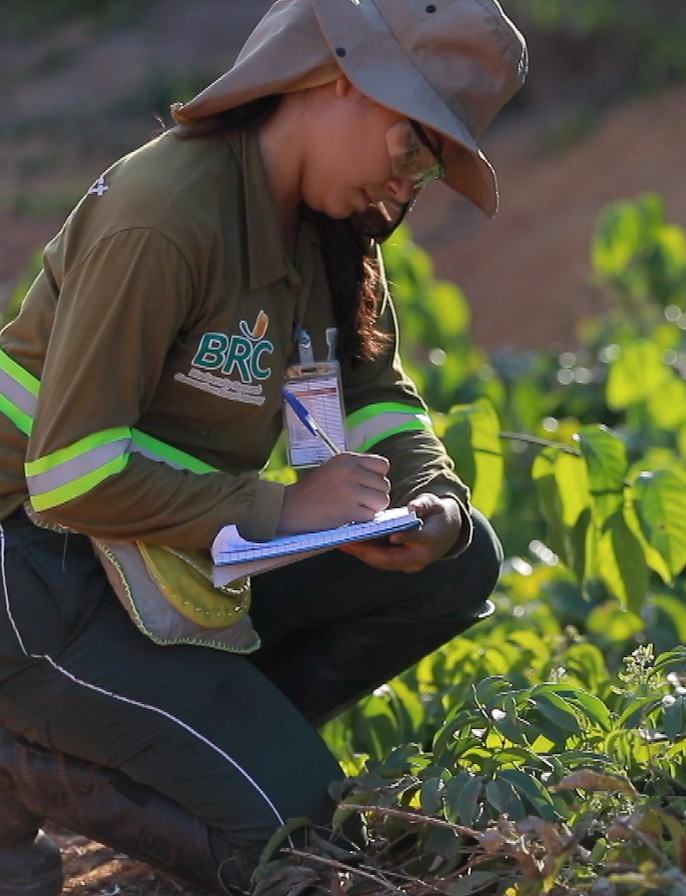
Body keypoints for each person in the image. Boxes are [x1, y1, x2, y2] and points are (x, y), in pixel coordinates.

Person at [0, 0, 526, 893]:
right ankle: (33, 760)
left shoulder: (324, 225)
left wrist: (429, 498)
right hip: (36, 569)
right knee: (309, 848)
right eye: (411, 147)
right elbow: (69, 474)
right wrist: (285, 507)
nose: (407, 188)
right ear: (334, 78)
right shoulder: (164, 212)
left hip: (156, 559)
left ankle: (195, 743)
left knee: (460, 561)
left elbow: (370, 391)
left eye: (430, 170)